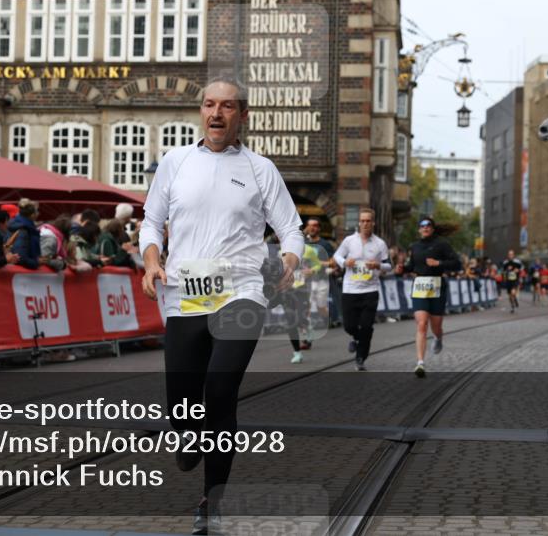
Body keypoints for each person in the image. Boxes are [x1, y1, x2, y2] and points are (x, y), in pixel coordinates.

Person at [139, 78, 302, 535]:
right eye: (209, 104)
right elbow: (151, 223)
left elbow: (290, 229)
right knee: (183, 406)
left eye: (227, 106)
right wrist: (152, 261)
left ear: (241, 115)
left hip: (242, 291)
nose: (216, 113)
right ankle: (187, 439)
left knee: (221, 387)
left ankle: (213, 503)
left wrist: (289, 258)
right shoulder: (175, 162)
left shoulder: (259, 168)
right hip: (186, 297)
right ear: (200, 111)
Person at [402, 217, 462, 377]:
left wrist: (438, 264)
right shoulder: (414, 246)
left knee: (436, 326)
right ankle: (420, 363)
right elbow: (411, 266)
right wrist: (402, 268)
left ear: (433, 228)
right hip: (420, 287)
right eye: (422, 225)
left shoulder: (442, 244)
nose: (425, 227)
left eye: (428, 225)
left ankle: (438, 337)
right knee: (421, 324)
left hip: (437, 288)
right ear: (419, 229)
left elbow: (458, 264)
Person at [333, 208, 391, 371]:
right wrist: (345, 262)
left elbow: (389, 266)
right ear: (359, 223)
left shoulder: (380, 244)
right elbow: (337, 256)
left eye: (368, 221)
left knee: (366, 326)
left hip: (370, 291)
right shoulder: (349, 241)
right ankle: (358, 339)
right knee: (349, 327)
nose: (365, 224)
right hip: (350, 290)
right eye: (363, 221)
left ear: (373, 223)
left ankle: (361, 356)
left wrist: (378, 265)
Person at [304, 217, 337, 329]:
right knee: (306, 304)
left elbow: (333, 263)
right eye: (310, 225)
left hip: (321, 280)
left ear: (319, 228)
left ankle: (326, 319)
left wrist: (318, 264)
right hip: (306, 280)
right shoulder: (303, 243)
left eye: (315, 225)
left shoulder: (325, 244)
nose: (312, 228)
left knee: (320, 306)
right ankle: (307, 328)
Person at [8, 199, 48, 269]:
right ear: (32, 215)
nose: (39, 213)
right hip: (21, 274)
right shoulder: (24, 229)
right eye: (37, 211)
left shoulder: (25, 226)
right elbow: (20, 256)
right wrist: (36, 262)